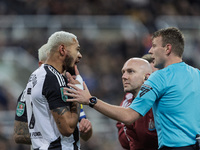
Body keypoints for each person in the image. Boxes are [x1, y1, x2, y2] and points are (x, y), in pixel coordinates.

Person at [64, 27, 200, 149]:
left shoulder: (158, 77)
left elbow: (128, 116)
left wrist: (91, 100)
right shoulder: (196, 74)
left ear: (167, 48)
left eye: (153, 46)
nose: (150, 51)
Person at [19, 31, 88, 150]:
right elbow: (67, 129)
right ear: (62, 49)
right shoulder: (55, 78)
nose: (80, 55)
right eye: (77, 49)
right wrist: (78, 93)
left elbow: (20, 133)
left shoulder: (35, 76)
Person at [116, 56, 158, 150]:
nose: (124, 77)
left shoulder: (166, 101)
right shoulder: (128, 100)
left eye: (130, 71)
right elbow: (124, 141)